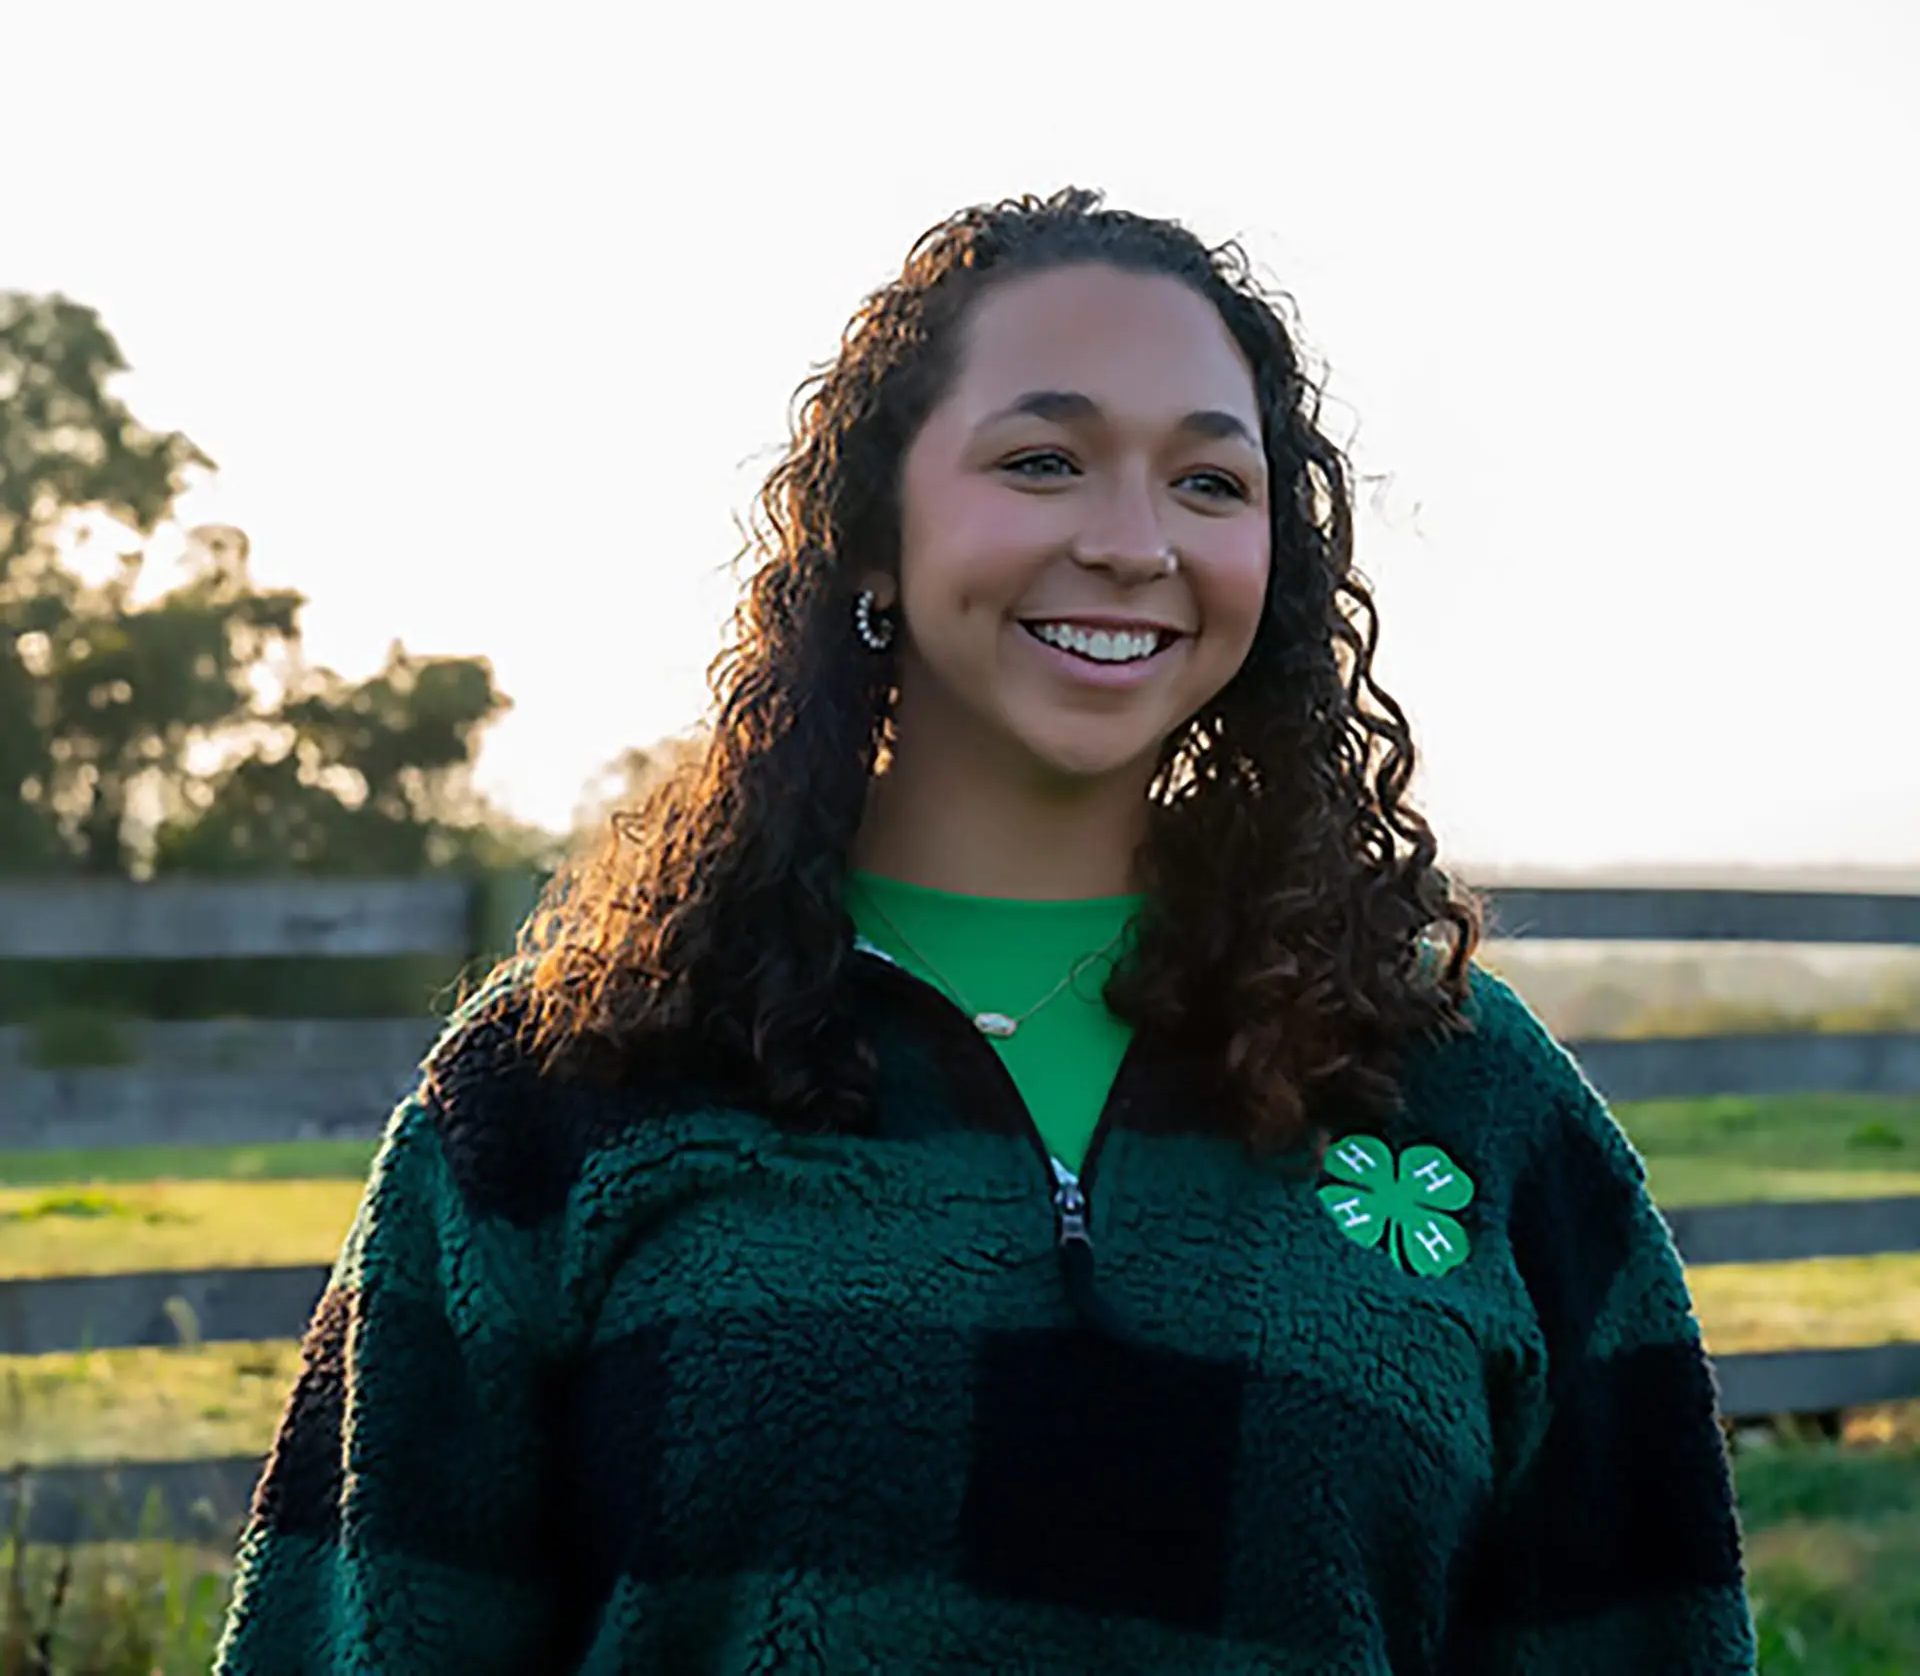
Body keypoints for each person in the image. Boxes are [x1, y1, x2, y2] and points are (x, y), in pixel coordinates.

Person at [213, 188, 1757, 1673]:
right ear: (871, 533)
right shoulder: (566, 1088)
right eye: (1043, 461)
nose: (1135, 540)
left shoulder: (1471, 1102)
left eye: (1211, 481)